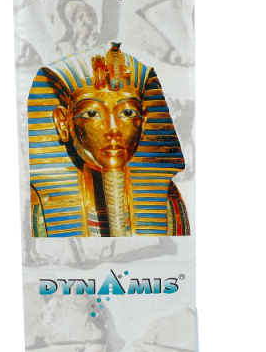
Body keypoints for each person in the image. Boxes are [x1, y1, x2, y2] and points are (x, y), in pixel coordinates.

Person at [28, 42, 190, 237]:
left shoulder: (167, 204)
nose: (113, 129)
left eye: (127, 113)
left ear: (144, 123)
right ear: (63, 123)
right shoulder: (38, 207)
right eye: (92, 113)